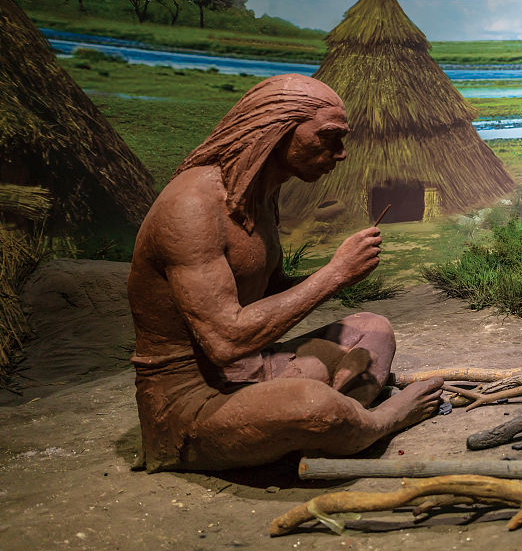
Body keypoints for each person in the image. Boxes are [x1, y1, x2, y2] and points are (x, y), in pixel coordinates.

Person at [126, 74, 443, 472]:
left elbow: (266, 296)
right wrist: (334, 274)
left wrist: (341, 276)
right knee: (314, 406)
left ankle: (304, 424)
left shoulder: (259, 197)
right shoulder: (191, 207)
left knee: (372, 328)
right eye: (328, 137)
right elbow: (224, 342)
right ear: (275, 131)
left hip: (252, 371)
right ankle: (379, 421)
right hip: (191, 400)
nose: (340, 153)